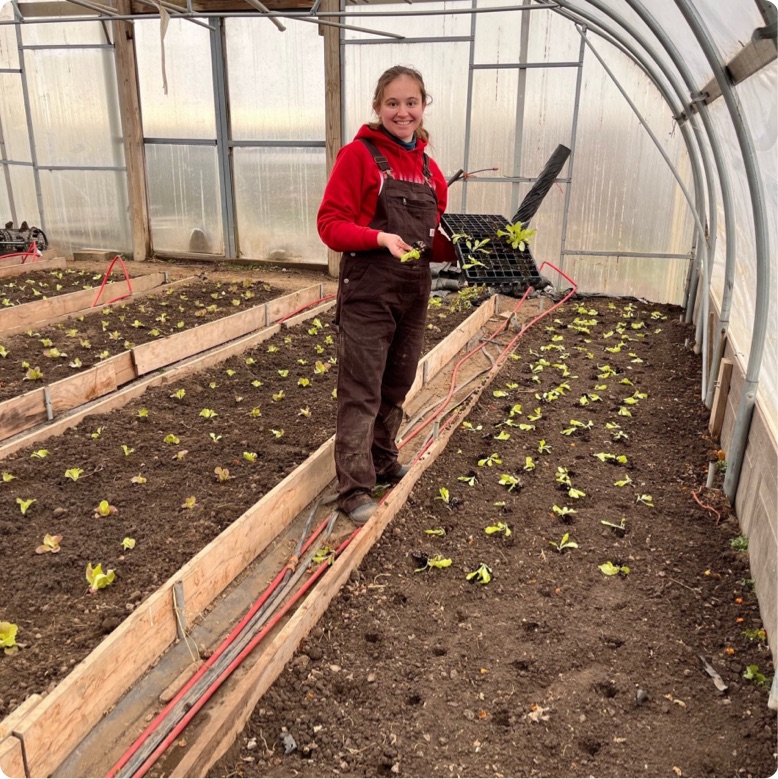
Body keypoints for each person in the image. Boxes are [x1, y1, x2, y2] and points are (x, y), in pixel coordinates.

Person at [317, 65, 448, 525]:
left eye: (411, 102)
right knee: (361, 389)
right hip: (369, 290)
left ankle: (383, 458)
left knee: (397, 380)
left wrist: (468, 251)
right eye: (392, 103)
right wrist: (379, 238)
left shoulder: (431, 170)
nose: (403, 111)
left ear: (423, 105)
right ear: (377, 107)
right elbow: (329, 225)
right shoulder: (359, 156)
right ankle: (354, 487)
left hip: (413, 291)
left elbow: (435, 235)